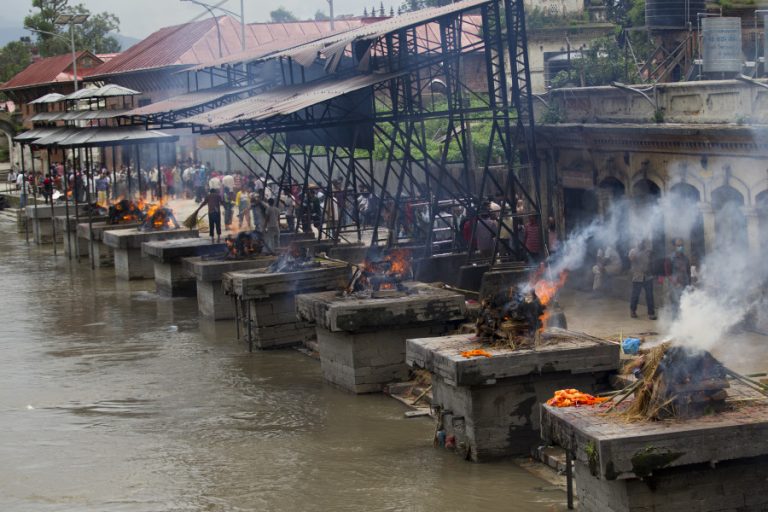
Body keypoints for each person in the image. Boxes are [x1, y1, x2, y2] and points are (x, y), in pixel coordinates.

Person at [628, 240, 657, 320]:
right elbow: (631, 258)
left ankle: (651, 313)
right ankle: (633, 310)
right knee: (635, 295)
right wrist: (636, 252)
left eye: (642, 242)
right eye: (640, 242)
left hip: (648, 276)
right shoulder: (633, 251)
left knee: (649, 296)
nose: (641, 243)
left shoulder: (648, 251)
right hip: (638, 276)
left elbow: (651, 262)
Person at [664, 238, 691, 317]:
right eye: (678, 245)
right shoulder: (670, 258)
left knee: (685, 306)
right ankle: (675, 325)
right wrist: (675, 283)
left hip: (685, 285)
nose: (680, 247)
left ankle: (683, 324)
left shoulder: (686, 259)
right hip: (675, 287)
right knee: (675, 306)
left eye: (681, 245)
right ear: (674, 246)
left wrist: (689, 285)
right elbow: (668, 274)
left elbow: (688, 272)